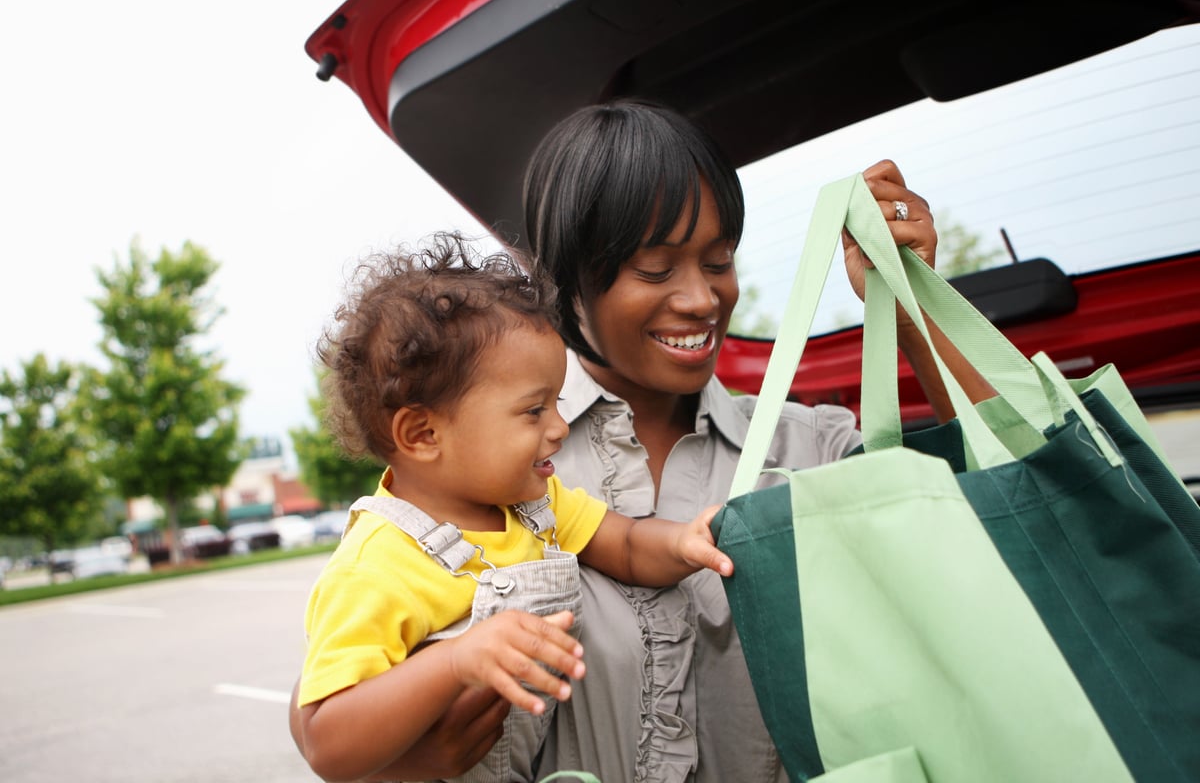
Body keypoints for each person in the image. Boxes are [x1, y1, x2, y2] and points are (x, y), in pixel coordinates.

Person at [290, 99, 990, 782]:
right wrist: (399, 761)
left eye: (718, 262)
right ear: (567, 286)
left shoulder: (805, 447)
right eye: (656, 269)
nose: (700, 299)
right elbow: (326, 706)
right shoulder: (482, 466)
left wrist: (913, 307)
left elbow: (1015, 498)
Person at [292, 233, 735, 783]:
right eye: (533, 410)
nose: (557, 428)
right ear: (423, 433)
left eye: (555, 402)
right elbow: (324, 741)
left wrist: (682, 542)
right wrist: (454, 661)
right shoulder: (377, 565)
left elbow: (622, 543)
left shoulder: (532, 508)